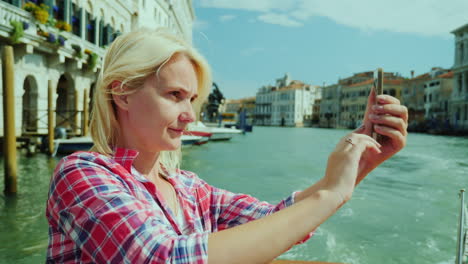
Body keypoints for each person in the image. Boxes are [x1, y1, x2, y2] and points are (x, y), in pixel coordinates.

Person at [45, 28, 408, 263]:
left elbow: (277, 219)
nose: (189, 115)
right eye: (175, 95)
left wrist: (359, 165)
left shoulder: (189, 188)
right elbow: (161, 257)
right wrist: (330, 194)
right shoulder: (81, 174)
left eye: (192, 99)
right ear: (121, 93)